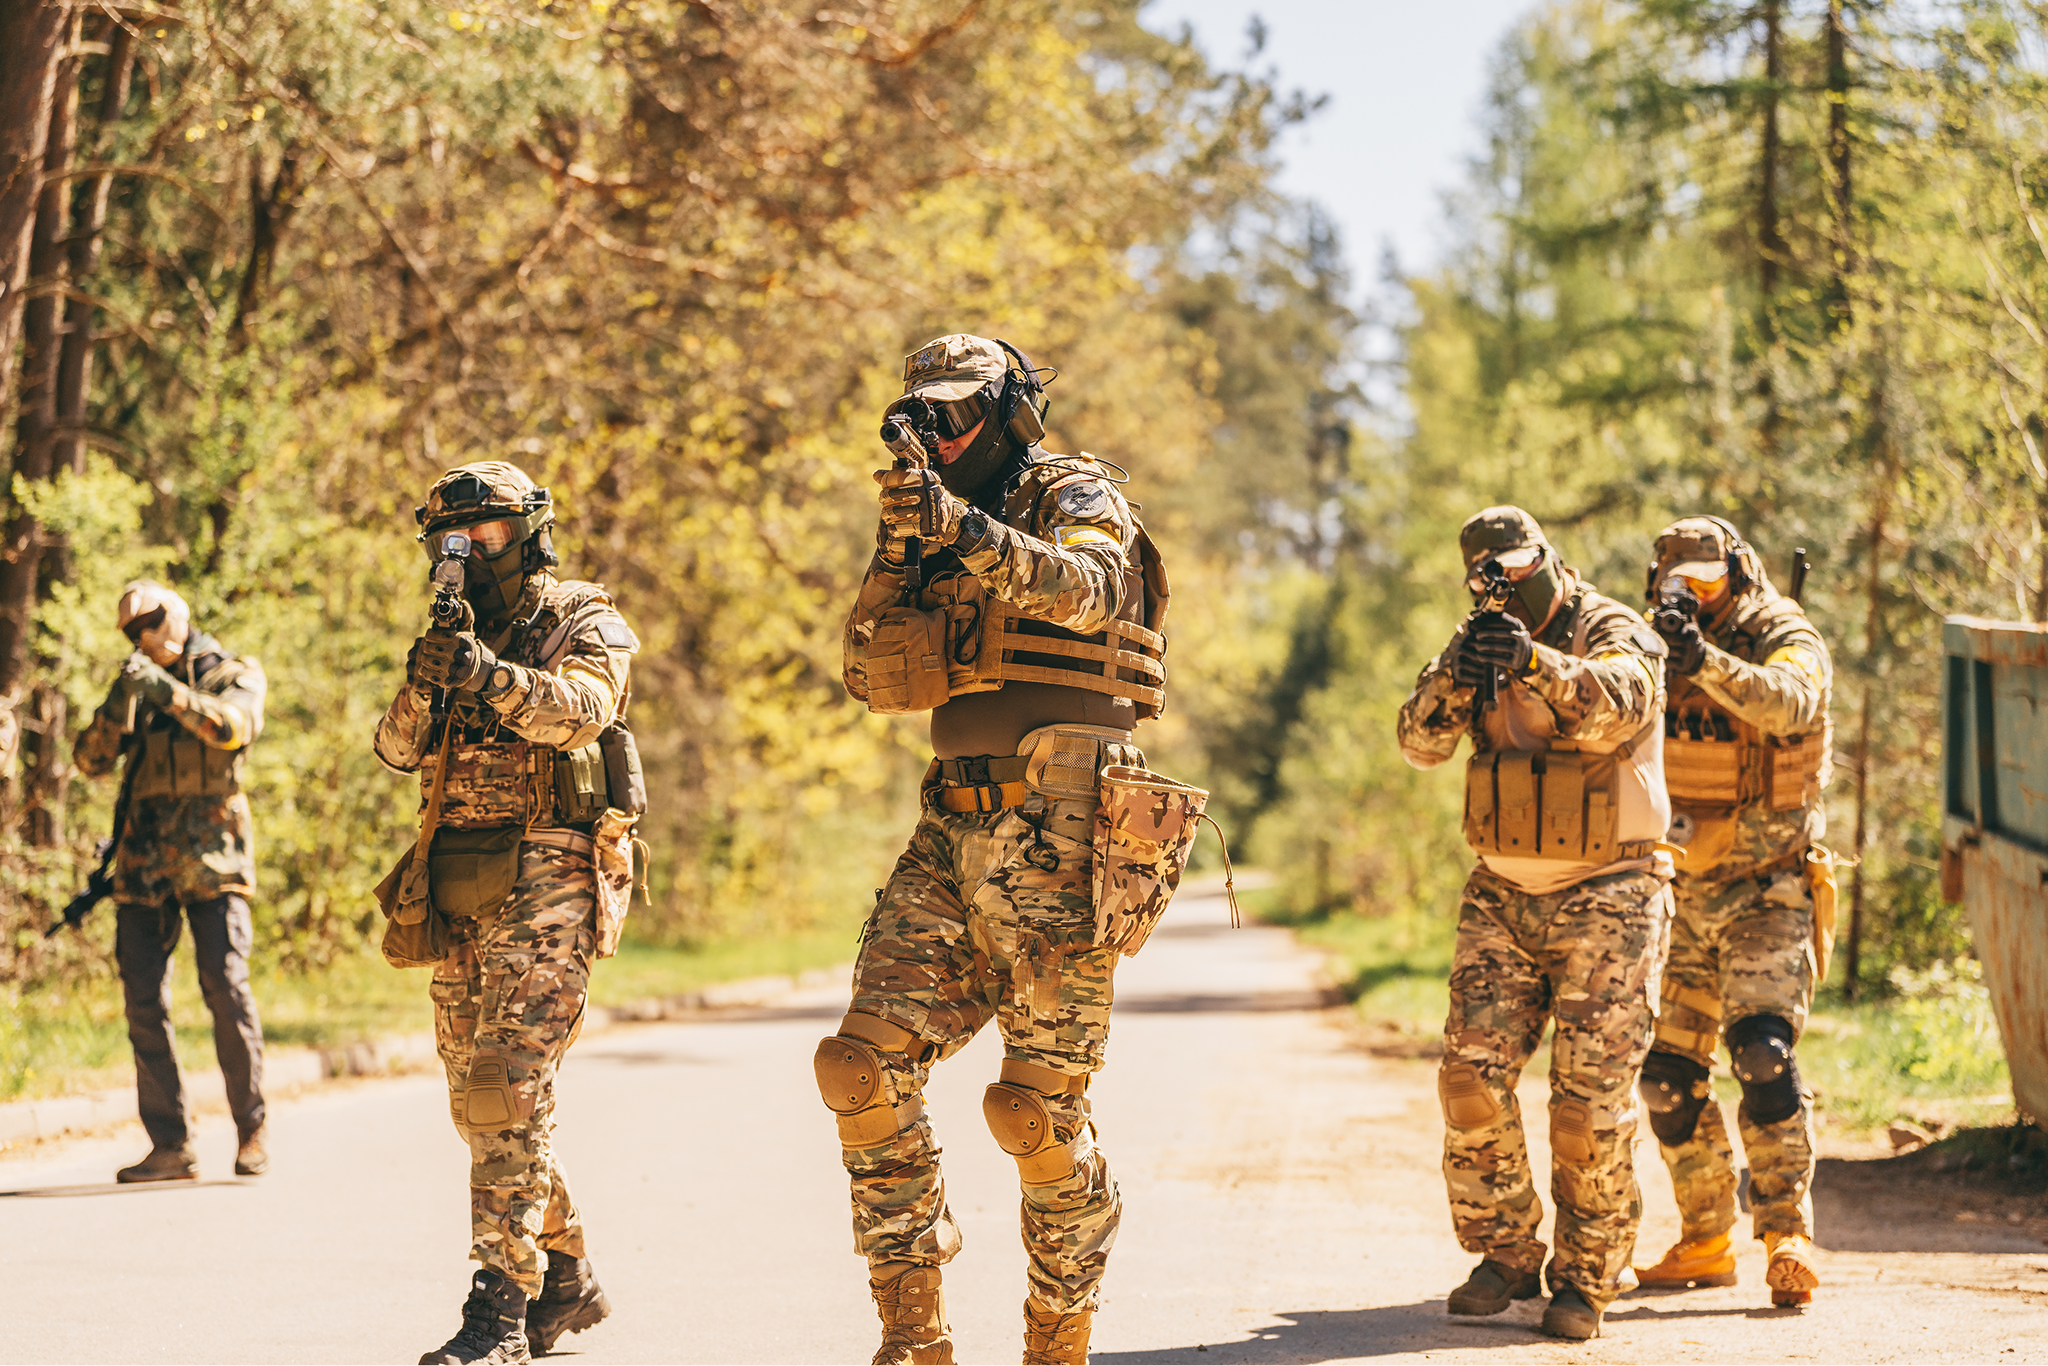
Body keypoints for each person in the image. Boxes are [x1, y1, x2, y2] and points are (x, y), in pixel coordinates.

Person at [824, 333, 1169, 1366]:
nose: (938, 428)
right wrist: (901, 552)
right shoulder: (925, 527)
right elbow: (864, 669)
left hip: (1064, 820)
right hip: (952, 824)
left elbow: (1095, 588)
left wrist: (964, 531)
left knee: (1033, 1113)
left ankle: (1054, 1339)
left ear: (1012, 412)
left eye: (957, 410)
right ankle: (912, 1336)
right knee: (858, 1066)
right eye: (922, 410)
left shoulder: (1069, 491)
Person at [376, 461, 641, 1366]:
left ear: (528, 533)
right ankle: (565, 1275)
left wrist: (491, 676)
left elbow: (585, 711)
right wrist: (428, 677)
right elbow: (395, 748)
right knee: (478, 1106)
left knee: (505, 1088)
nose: (470, 554)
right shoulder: (447, 633)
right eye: (452, 541)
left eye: (487, 535)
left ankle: (498, 1314)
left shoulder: (580, 618)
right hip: (458, 880)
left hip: (553, 872)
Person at [1395, 506, 1674, 1341]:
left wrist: (1537, 664)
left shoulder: (1610, 626)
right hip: (1503, 894)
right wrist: (1457, 670)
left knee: (1589, 1105)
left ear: (1549, 560)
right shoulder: (1476, 641)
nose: (1508, 587)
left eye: (1520, 570)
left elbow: (1622, 705)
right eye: (1491, 576)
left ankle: (1586, 1279)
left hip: (1612, 893)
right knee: (1468, 1083)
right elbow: (1418, 744)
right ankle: (1505, 1253)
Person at [1632, 516, 1833, 1308]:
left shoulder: (1781, 630)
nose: (1697, 596)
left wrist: (1705, 661)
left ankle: (1789, 1232)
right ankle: (1707, 1237)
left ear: (1739, 573)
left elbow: (1795, 701)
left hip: (1769, 886)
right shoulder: (1648, 638)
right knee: (1668, 1080)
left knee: (1762, 1055)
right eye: (1683, 583)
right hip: (1681, 887)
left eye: (1711, 581)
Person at [74, 581, 269, 1182]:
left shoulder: (230, 672)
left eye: (153, 618)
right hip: (143, 867)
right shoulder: (133, 690)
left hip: (214, 862)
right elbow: (89, 761)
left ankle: (251, 1130)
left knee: (225, 986)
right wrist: (120, 702)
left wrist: (165, 689)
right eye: (133, 629)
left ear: (178, 611)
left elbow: (233, 728)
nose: (145, 635)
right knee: (142, 1000)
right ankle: (170, 1145)